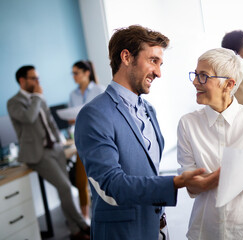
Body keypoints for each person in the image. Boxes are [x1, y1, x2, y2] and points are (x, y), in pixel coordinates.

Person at [74, 25, 220, 240]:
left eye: (160, 64)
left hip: (157, 228)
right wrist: (176, 182)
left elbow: (147, 172)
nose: (159, 73)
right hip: (122, 233)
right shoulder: (94, 114)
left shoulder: (148, 110)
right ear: (126, 57)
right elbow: (112, 184)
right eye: (153, 61)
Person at [177, 48, 243, 240]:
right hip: (208, 231)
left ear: (228, 84)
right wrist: (228, 173)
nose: (194, 82)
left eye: (203, 76)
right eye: (195, 74)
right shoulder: (188, 124)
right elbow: (191, 188)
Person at [7, 65, 90, 240]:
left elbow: (49, 120)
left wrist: (60, 141)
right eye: (34, 78)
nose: (38, 82)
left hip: (55, 148)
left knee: (64, 190)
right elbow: (29, 118)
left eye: (38, 78)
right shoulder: (14, 102)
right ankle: (82, 225)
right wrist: (37, 96)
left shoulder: (39, 97)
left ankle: (75, 229)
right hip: (38, 154)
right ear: (22, 81)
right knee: (66, 187)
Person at [69, 60, 105, 221]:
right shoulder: (73, 95)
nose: (74, 76)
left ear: (86, 73)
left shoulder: (99, 90)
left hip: (99, 140)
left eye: (76, 73)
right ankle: (85, 218)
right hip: (82, 140)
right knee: (80, 180)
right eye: (73, 73)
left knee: (102, 178)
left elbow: (105, 115)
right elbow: (73, 116)